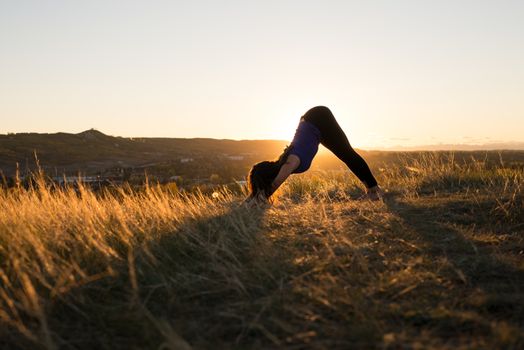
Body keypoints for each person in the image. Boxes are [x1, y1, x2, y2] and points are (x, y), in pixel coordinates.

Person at [245, 106, 382, 205]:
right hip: (312, 123)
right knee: (345, 154)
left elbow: (274, 184)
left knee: (346, 153)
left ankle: (374, 190)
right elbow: (266, 189)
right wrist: (248, 201)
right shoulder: (284, 163)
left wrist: (258, 200)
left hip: (318, 118)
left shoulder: (290, 162)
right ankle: (372, 189)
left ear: (268, 178)